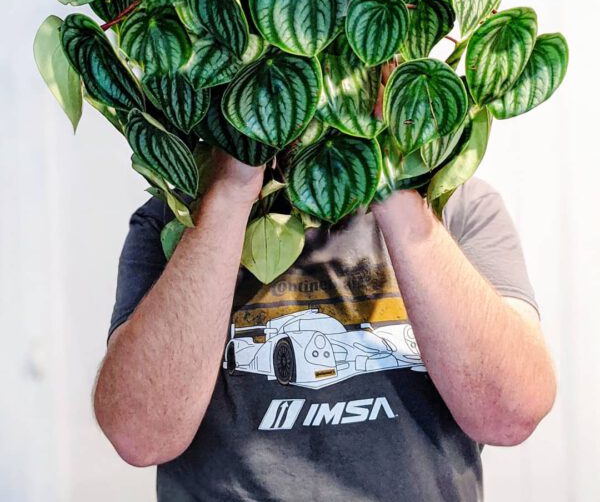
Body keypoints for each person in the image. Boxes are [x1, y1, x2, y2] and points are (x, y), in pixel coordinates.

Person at [93, 148, 557, 502]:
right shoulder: (178, 214)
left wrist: (394, 188)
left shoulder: (456, 204)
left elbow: (510, 415)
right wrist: (231, 192)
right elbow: (140, 435)